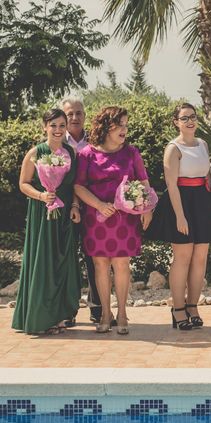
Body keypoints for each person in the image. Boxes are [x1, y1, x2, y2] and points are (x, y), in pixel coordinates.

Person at [74, 106, 152, 335]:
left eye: (127, 125)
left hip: (125, 219)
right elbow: (78, 185)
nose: (124, 130)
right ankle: (106, 314)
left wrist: (147, 209)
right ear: (107, 126)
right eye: (120, 125)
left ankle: (123, 313)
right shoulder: (87, 153)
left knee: (121, 264)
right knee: (100, 265)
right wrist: (98, 205)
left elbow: (144, 183)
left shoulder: (132, 153)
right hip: (96, 218)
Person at [146, 103, 211, 330]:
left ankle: (193, 307)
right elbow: (171, 185)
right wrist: (180, 217)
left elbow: (207, 177)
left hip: (201, 202)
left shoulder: (202, 144)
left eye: (193, 117)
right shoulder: (173, 148)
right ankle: (178, 309)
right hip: (179, 202)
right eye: (184, 118)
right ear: (176, 122)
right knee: (182, 258)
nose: (190, 121)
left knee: (200, 258)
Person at [12, 108, 81, 335]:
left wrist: (74, 206)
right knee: (44, 262)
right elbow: (23, 183)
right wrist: (42, 196)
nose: (58, 130)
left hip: (65, 216)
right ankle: (42, 317)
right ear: (45, 127)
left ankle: (61, 315)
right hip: (42, 213)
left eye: (62, 125)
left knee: (63, 262)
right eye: (53, 125)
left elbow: (74, 185)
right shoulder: (35, 152)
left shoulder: (71, 152)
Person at [61, 96, 103, 326]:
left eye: (78, 113)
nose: (75, 117)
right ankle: (68, 310)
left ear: (85, 116)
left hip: (92, 208)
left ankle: (98, 309)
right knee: (67, 259)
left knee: (94, 259)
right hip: (64, 210)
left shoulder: (96, 141)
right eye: (70, 114)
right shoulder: (56, 142)